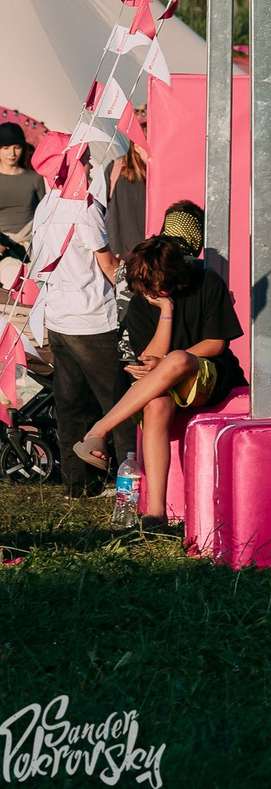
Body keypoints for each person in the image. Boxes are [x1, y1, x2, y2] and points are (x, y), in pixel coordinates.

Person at [70, 233, 246, 527]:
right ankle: (156, 513)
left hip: (211, 376)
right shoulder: (143, 300)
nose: (157, 293)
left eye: (162, 288)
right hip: (166, 381)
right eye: (150, 290)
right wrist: (166, 312)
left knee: (177, 359)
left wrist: (165, 363)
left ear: (177, 276)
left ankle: (100, 428)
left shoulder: (208, 283)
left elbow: (216, 344)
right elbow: (148, 357)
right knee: (155, 407)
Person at [25, 188, 125, 500]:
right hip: (93, 319)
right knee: (119, 403)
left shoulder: (46, 204)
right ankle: (131, 485)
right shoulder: (86, 207)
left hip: (58, 317)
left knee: (71, 404)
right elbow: (107, 265)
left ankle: (79, 485)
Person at [0, 122, 44, 256]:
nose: (12, 153)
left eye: (17, 147)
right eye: (6, 148)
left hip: (30, 246)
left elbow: (43, 214)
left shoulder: (35, 178)